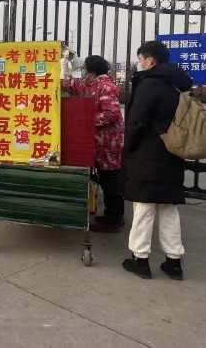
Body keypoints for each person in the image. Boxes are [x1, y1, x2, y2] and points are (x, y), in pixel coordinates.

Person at [122, 41, 193, 280]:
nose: (140, 63)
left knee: (144, 207)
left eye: (141, 59)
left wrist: (129, 147)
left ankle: (140, 259)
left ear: (150, 60)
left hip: (147, 153)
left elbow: (137, 122)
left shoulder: (150, 84)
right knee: (168, 207)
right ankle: (174, 262)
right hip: (172, 152)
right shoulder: (178, 84)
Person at [63, 55, 125, 233]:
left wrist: (86, 121)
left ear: (91, 71)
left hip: (109, 142)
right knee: (103, 178)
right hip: (98, 142)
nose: (82, 72)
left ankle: (113, 219)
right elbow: (74, 86)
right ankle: (111, 215)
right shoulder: (91, 85)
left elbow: (111, 114)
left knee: (110, 180)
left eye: (84, 69)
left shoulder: (106, 87)